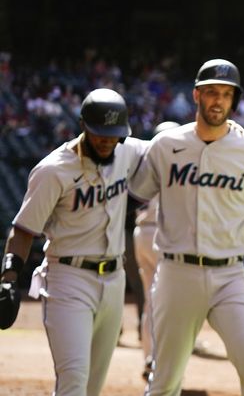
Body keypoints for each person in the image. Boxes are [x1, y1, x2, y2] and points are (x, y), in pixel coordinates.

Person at [130, 59, 244, 396]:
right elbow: (132, 197)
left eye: (225, 94)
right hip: (177, 273)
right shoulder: (166, 146)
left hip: (230, 275)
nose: (218, 100)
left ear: (233, 100)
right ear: (197, 95)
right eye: (211, 92)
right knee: (165, 379)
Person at [0, 88, 147, 395]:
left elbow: (174, 146)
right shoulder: (53, 170)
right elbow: (24, 230)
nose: (107, 140)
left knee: (91, 387)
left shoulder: (128, 152)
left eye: (114, 134)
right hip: (69, 279)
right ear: (83, 125)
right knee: (74, 379)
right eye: (100, 133)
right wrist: (9, 280)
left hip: (114, 280)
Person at [133, 120, 181, 380]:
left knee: (151, 302)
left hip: (141, 233)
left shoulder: (144, 164)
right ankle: (163, 361)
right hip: (163, 235)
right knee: (170, 303)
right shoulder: (172, 165)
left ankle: (150, 357)